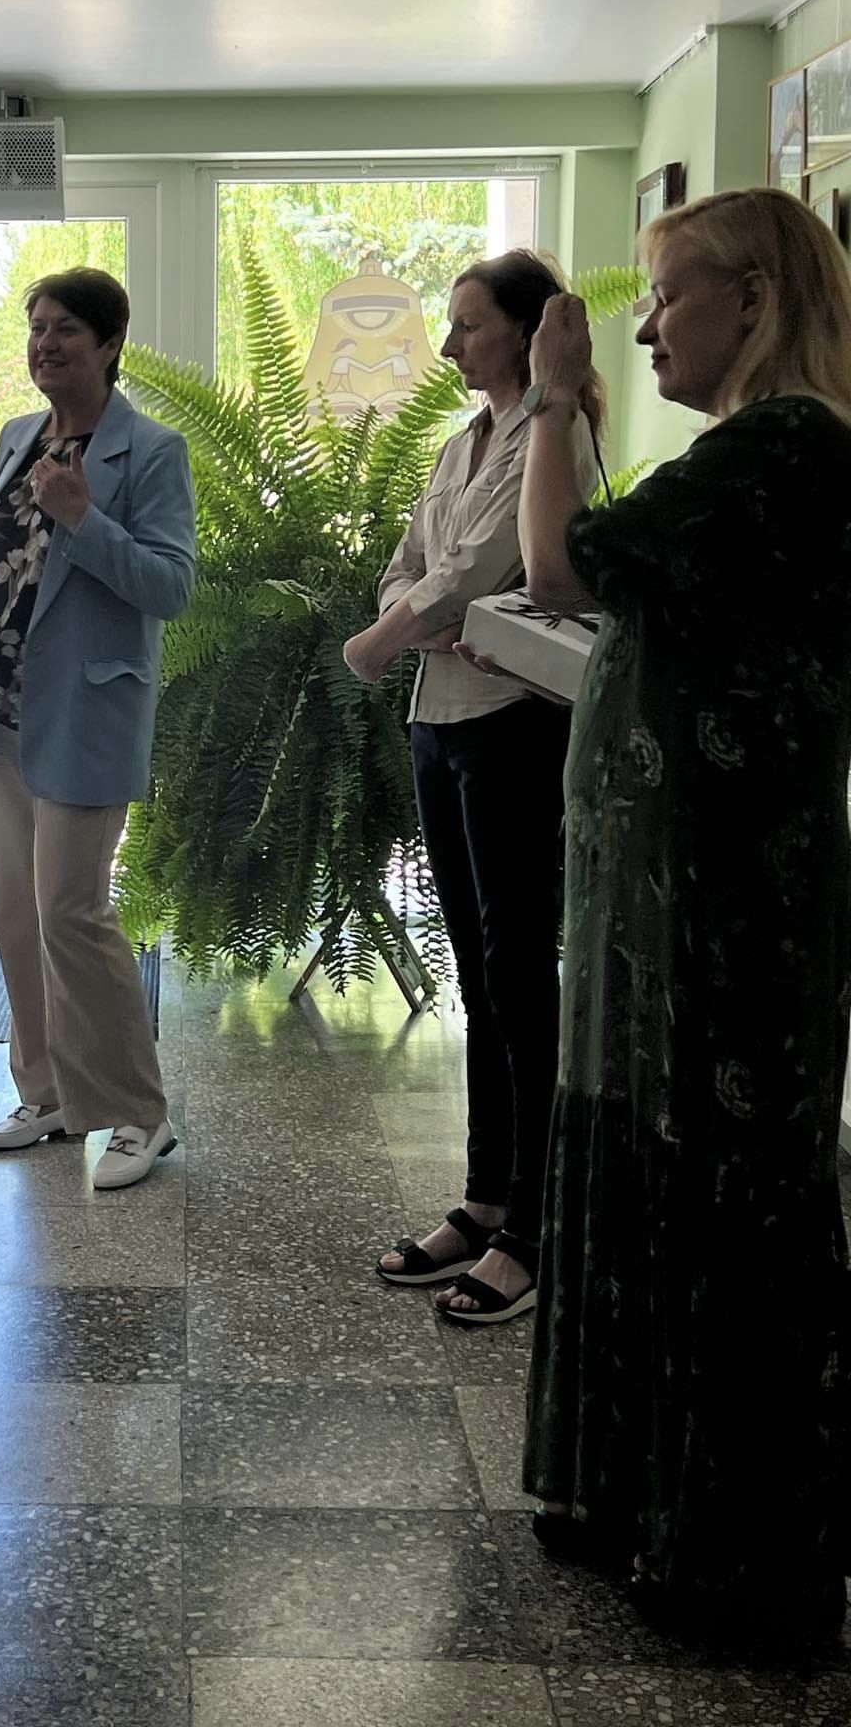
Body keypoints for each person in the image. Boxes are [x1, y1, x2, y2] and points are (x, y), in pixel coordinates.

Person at [514, 188, 851, 1646]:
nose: (646, 326)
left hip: (726, 909)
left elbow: (557, 565)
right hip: (677, 901)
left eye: (667, 296)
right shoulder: (756, 451)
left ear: (755, 301)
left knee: (716, 1191)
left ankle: (728, 1551)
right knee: (653, 1168)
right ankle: (638, 1498)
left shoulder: (785, 447)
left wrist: (551, 398)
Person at [345, 253, 602, 1322]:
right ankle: (486, 1198)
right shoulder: (463, 443)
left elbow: (482, 566)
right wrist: (415, 620)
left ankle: (534, 1231)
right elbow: (409, 567)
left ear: (527, 332)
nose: (449, 344)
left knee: (516, 972)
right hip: (439, 720)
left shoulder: (554, 436)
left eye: (468, 325)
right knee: (475, 971)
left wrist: (385, 638)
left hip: (511, 727)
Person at [0, 269, 196, 1190]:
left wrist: (83, 518)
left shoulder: (150, 452)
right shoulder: (18, 437)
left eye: (66, 331)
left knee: (71, 913)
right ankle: (44, 1092)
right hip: (2, 711)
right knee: (15, 913)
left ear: (110, 345)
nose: (45, 345)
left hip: (87, 714)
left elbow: (170, 586)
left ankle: (139, 1113)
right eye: (37, 328)